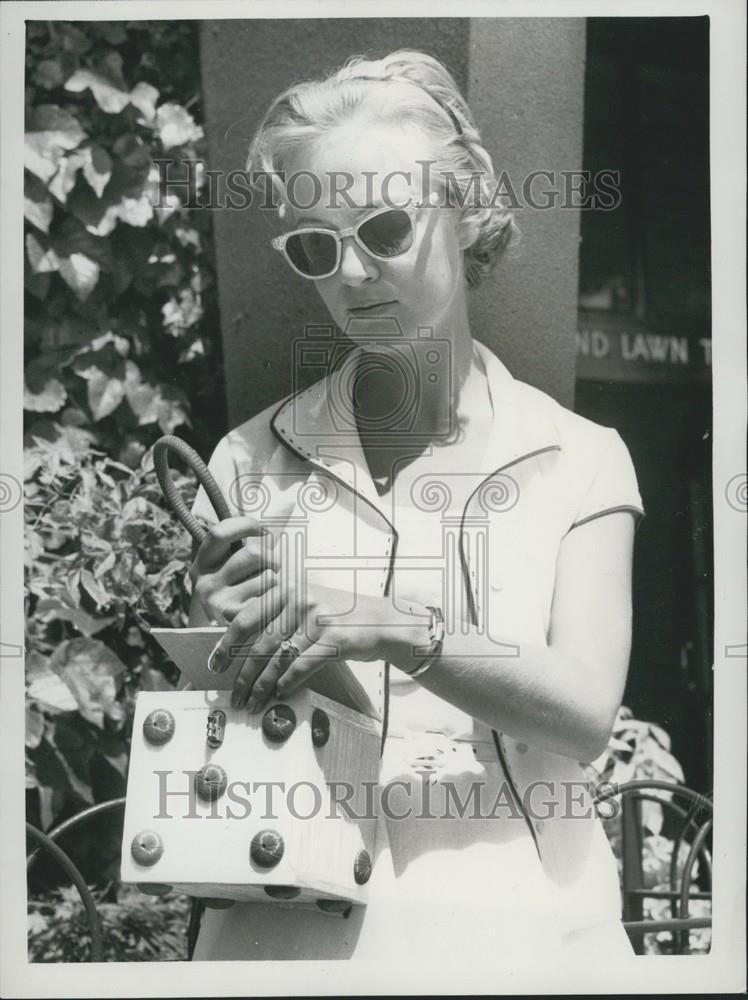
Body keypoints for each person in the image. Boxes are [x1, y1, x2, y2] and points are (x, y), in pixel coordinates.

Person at [186, 50, 644, 962]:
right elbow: (218, 728)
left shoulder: (581, 461)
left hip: (519, 935)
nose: (353, 271)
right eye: (317, 245)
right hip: (289, 936)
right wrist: (223, 638)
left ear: (468, 207)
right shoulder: (246, 457)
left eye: (387, 227)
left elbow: (587, 710)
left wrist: (390, 624)